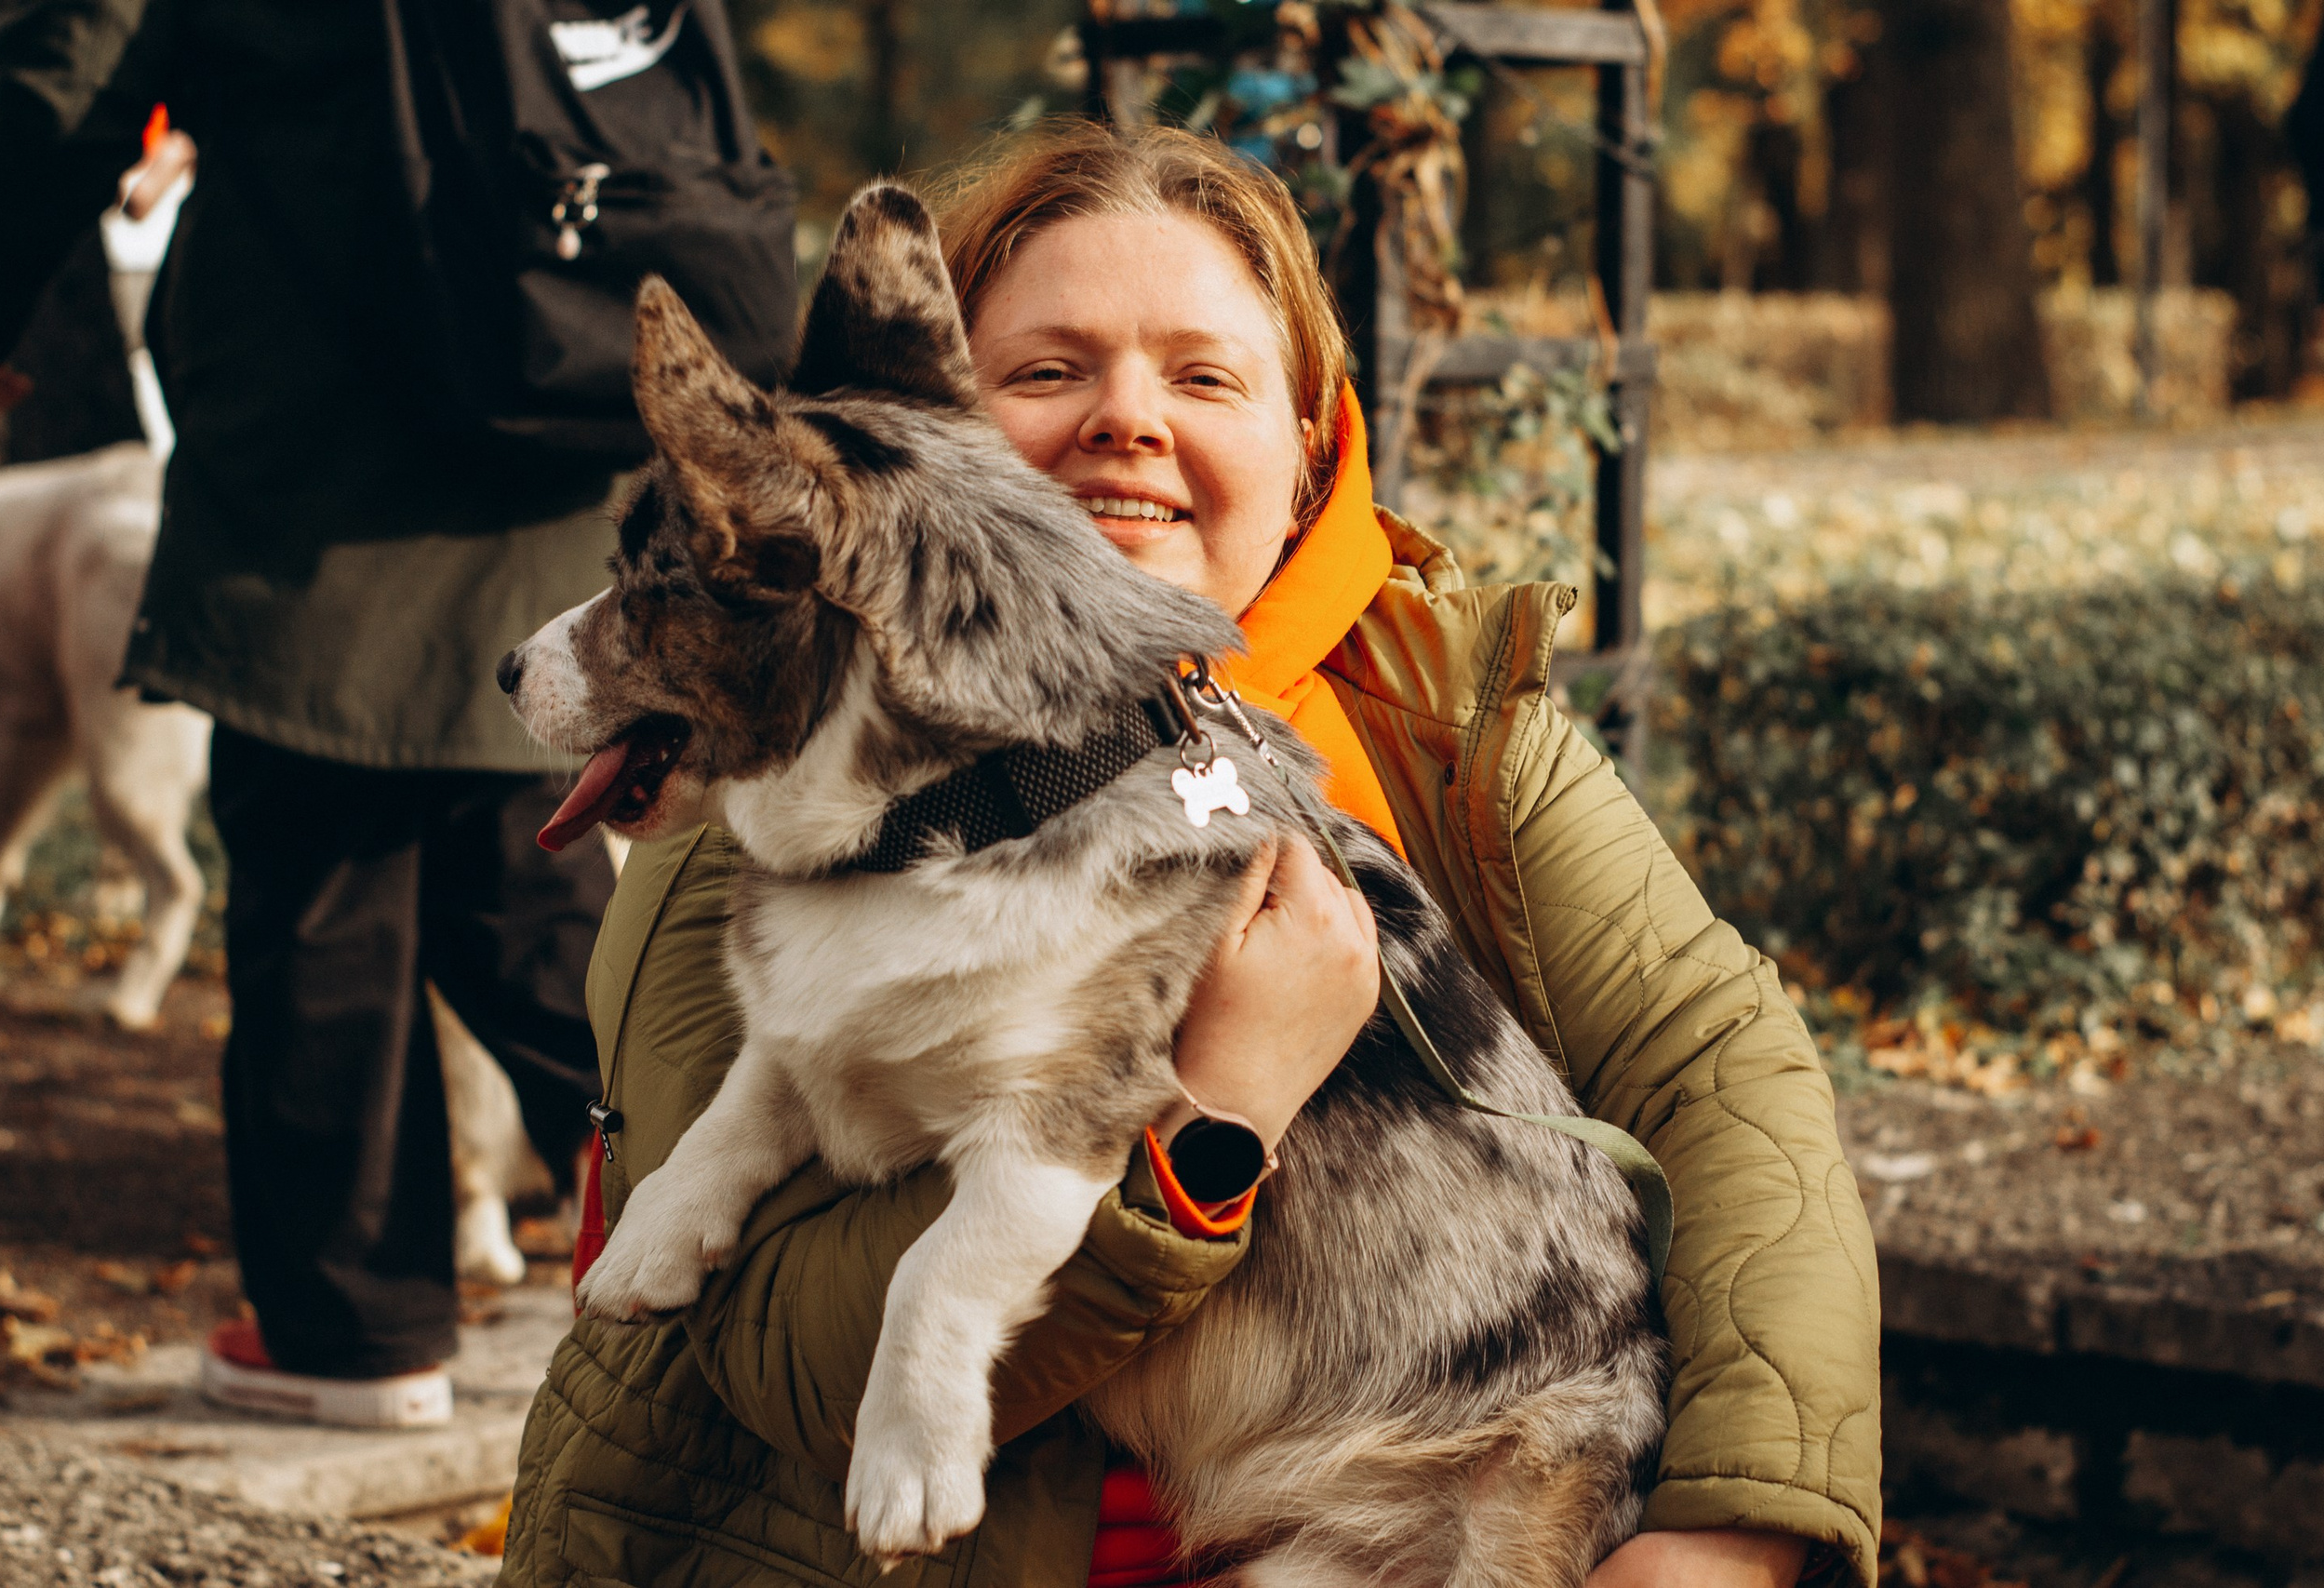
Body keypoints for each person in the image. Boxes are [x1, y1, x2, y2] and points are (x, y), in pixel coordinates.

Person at [501, 123, 1881, 1587]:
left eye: (1206, 376)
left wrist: (1735, 1532)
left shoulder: (1436, 720)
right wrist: (1210, 1117)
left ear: (1306, 447)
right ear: (925, 444)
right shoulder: (770, 787)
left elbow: (1733, 1090)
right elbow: (788, 1357)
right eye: (1047, 370)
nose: (1127, 422)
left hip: (1442, 1474)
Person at [0, 1, 634, 1424]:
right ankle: (779, 1240)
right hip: (552, 376)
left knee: (325, 871)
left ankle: (352, 1337)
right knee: (529, 885)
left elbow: (74, 67)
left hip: (324, 412)